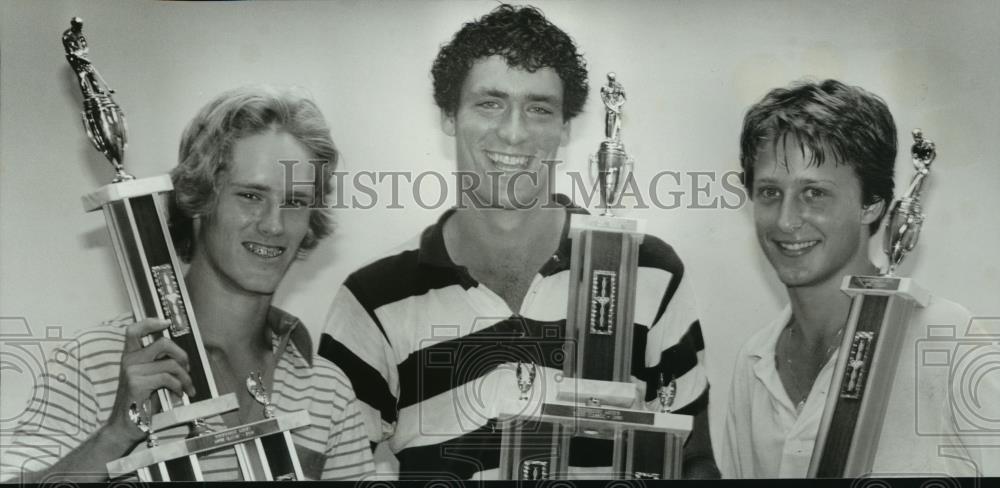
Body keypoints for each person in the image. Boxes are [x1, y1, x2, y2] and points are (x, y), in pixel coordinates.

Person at [319, 4, 718, 480]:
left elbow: (694, 462)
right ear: (449, 116)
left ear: (565, 127)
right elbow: (338, 470)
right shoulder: (372, 299)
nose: (513, 132)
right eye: (490, 103)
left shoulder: (648, 271)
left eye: (539, 108)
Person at [1, 86, 375, 482]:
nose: (273, 224)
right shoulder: (93, 363)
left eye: (295, 202)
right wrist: (114, 436)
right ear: (199, 201)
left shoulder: (325, 388)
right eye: (250, 195)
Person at [720, 79, 998, 477]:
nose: (786, 220)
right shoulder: (754, 361)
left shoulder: (949, 341)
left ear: (871, 205)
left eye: (814, 193)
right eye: (769, 192)